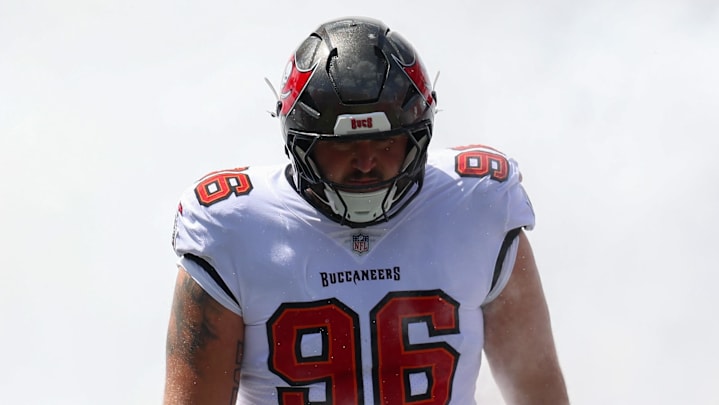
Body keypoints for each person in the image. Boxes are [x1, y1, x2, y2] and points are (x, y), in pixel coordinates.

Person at [164, 16, 568, 405]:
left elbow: (536, 388)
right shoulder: (232, 228)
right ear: (299, 141)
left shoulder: (478, 204)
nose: (365, 162)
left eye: (386, 142)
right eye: (341, 145)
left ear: (418, 135)